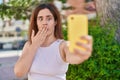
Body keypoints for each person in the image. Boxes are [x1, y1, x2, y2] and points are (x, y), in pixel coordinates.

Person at [14, 3, 93, 80]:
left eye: (49, 18)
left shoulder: (62, 45)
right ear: (36, 22)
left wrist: (81, 56)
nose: (44, 22)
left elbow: (73, 58)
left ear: (55, 22)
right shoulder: (29, 45)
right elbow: (19, 72)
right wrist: (34, 45)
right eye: (40, 19)